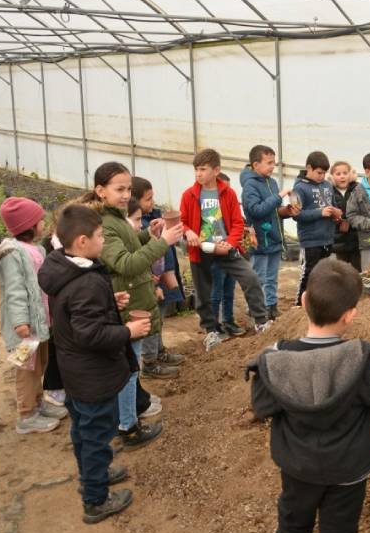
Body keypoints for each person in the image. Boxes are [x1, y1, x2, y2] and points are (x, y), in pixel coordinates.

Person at [247, 260, 370, 533]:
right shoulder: (362, 361)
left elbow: (261, 406)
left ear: (304, 301)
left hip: (298, 466)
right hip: (349, 468)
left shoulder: (277, 361)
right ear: (350, 315)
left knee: (293, 530)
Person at [37, 204, 150, 524]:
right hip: (92, 375)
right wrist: (128, 330)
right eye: (100, 235)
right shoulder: (85, 281)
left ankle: (93, 475)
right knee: (97, 435)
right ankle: (95, 499)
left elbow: (76, 315)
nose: (104, 240)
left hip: (74, 371)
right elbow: (90, 334)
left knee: (85, 431)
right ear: (83, 241)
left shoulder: (64, 267)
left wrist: (108, 303)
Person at [78, 162, 179, 448]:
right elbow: (124, 263)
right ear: (100, 191)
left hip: (131, 297)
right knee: (127, 370)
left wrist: (150, 234)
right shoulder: (105, 224)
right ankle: (127, 426)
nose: (125, 195)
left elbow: (130, 246)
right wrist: (164, 243)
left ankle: (126, 418)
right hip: (125, 303)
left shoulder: (116, 217)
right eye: (119, 189)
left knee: (129, 367)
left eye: (128, 189)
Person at [179, 148, 273, 350]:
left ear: (216, 170)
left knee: (250, 277)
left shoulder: (228, 193)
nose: (198, 174)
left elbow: (238, 223)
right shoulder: (189, 195)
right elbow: (183, 222)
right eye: (196, 169)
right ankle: (211, 331)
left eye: (203, 169)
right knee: (203, 293)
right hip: (201, 251)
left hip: (226, 249)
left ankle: (261, 322)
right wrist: (188, 232)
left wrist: (229, 243)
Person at [0, 197, 68, 435]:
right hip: (25, 329)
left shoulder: (37, 249)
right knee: (26, 369)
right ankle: (26, 414)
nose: (44, 223)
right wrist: (20, 322)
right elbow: (14, 291)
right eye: (39, 220)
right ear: (29, 225)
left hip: (40, 324)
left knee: (40, 364)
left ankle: (38, 403)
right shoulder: (14, 254)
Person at [130, 177, 186, 376]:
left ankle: (159, 352)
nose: (152, 203)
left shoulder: (152, 218)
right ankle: (150, 363)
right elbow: (144, 256)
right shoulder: (137, 227)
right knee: (151, 322)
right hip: (152, 281)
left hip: (160, 278)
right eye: (148, 199)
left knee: (159, 320)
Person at [240, 144, 293, 321]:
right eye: (269, 163)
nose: (272, 166)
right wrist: (279, 196)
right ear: (256, 165)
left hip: (274, 237)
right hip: (260, 240)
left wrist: (287, 211)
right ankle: (255, 309)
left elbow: (273, 211)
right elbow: (256, 210)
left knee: (272, 278)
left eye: (274, 163)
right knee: (259, 278)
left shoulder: (272, 182)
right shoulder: (250, 186)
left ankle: (271, 306)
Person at [292, 151, 343, 306]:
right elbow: (296, 215)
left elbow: (333, 205)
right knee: (308, 273)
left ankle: (317, 302)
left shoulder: (327, 185)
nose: (322, 176)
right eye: (319, 172)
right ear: (309, 168)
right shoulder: (299, 188)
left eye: (324, 173)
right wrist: (320, 212)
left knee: (322, 274)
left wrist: (336, 213)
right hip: (310, 240)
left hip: (327, 237)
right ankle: (299, 305)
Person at [210, 173, 241, 335]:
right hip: (216, 258)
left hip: (231, 254)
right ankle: (213, 326)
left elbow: (238, 225)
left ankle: (228, 321)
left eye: (228, 188)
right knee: (216, 292)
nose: (226, 192)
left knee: (229, 291)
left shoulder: (232, 206)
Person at [330, 161, 362, 271]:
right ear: (332, 177)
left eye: (345, 173)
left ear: (351, 175)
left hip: (356, 239)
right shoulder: (329, 191)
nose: (342, 176)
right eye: (338, 174)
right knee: (341, 272)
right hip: (338, 240)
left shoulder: (357, 189)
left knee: (357, 270)